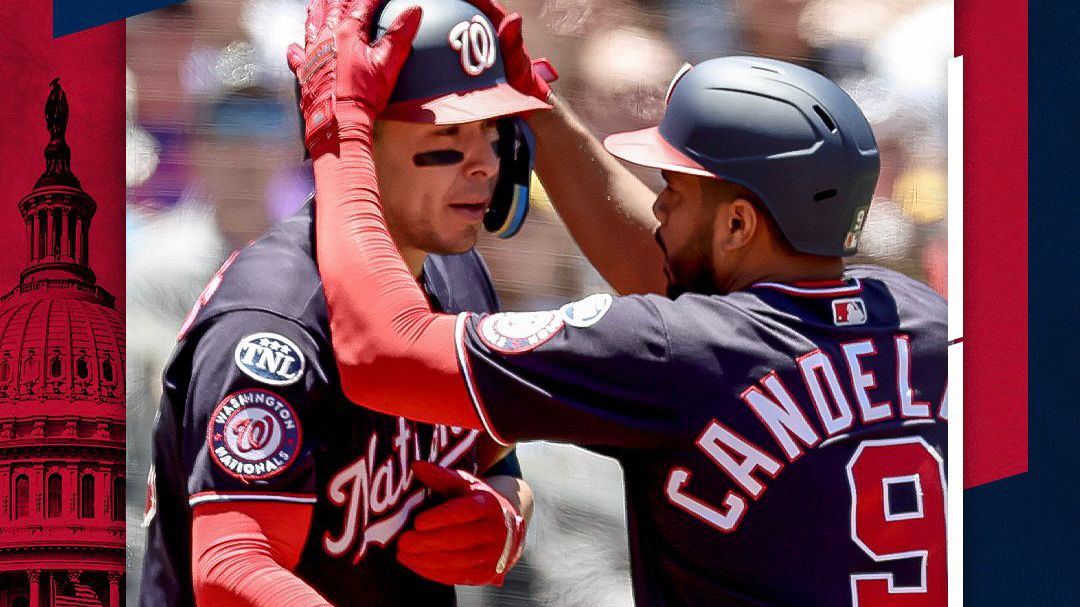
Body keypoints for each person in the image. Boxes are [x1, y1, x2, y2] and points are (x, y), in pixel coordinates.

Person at [291, 0, 949, 605]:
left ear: (740, 225)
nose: (657, 203)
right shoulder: (923, 320)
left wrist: (340, 133)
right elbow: (670, 273)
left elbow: (381, 352)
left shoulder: (674, 349)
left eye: (674, 188)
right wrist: (535, 103)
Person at [138, 0, 553, 604]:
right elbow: (231, 571)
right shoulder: (273, 325)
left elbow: (491, 455)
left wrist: (505, 508)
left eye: (492, 133)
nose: (484, 164)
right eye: (448, 137)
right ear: (364, 139)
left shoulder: (458, 272)